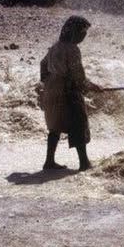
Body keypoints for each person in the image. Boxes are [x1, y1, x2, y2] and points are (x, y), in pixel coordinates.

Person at [39, 15, 100, 171]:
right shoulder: (72, 49)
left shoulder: (55, 47)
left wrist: (48, 81)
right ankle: (84, 163)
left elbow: (43, 64)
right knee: (79, 123)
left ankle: (49, 161)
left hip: (51, 88)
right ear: (74, 32)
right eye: (82, 33)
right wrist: (91, 86)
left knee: (55, 125)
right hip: (67, 89)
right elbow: (77, 75)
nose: (83, 37)